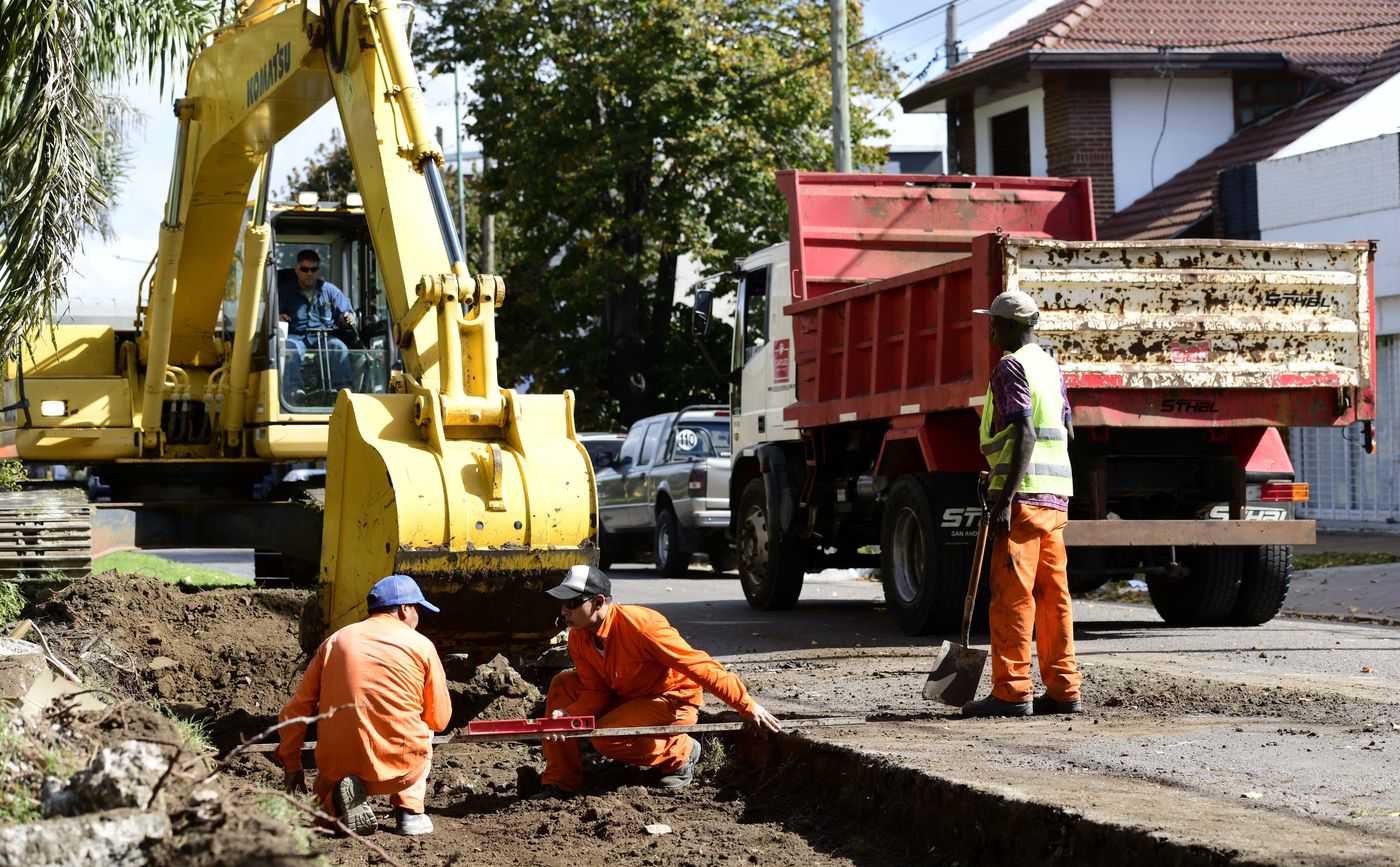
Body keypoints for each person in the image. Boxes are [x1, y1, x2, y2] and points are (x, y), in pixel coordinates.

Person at [533, 565, 782, 799]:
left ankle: (681, 752)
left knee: (606, 737)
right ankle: (561, 782)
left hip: (671, 700)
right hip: (626, 697)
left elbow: (697, 665)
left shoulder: (643, 627)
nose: (564, 611)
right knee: (564, 683)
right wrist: (570, 714)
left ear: (598, 602)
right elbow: (596, 690)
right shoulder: (579, 637)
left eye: (572, 603)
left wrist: (746, 705)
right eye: (562, 603)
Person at [964, 289, 1083, 718]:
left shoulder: (1011, 367)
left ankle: (1012, 692)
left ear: (1011, 326)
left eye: (994, 324)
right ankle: (1064, 688)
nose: (991, 332)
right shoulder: (1050, 367)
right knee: (1054, 597)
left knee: (1012, 598)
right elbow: (1067, 431)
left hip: (1023, 501)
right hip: (1055, 500)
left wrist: (1005, 496)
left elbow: (1026, 434)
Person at [276, 574, 450, 836]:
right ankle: (409, 812)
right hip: (400, 769)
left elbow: (296, 710)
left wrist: (292, 765)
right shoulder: (422, 645)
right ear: (405, 609)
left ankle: (336, 805)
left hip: (338, 766)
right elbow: (440, 718)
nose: (418, 618)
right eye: (418, 610)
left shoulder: (334, 641)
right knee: (426, 728)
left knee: (325, 795)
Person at [276, 249, 356, 399]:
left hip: (324, 337)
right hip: (295, 337)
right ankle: (295, 393)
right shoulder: (284, 291)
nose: (309, 273)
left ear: (318, 270)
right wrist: (278, 317)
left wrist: (347, 318)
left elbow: (346, 314)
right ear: (296, 269)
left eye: (313, 269)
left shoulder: (330, 291)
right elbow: (272, 314)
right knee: (288, 349)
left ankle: (344, 392)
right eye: (304, 269)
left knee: (339, 347)